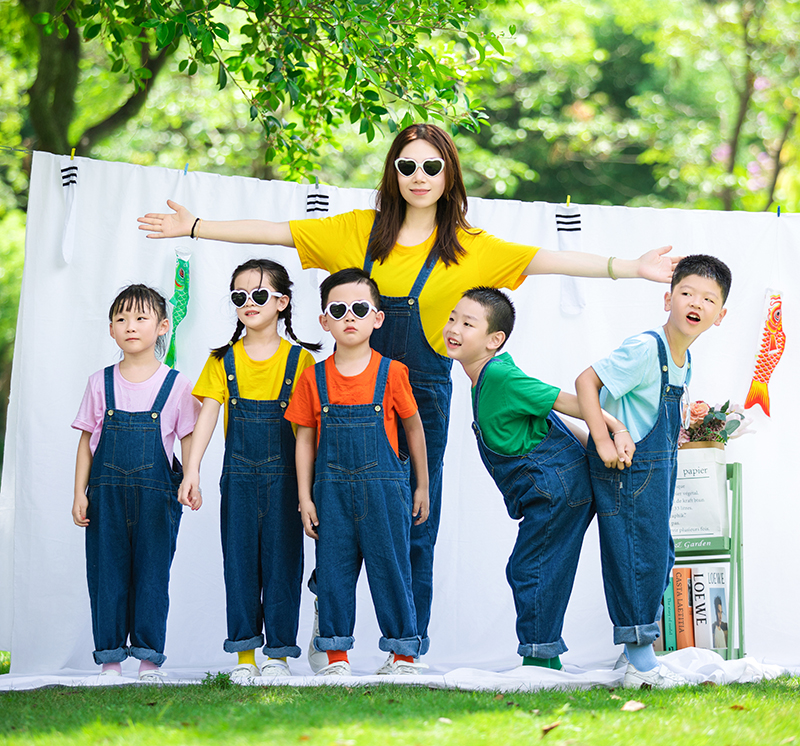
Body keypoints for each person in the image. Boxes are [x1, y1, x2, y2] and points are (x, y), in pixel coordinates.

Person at [138, 122, 679, 660]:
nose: (419, 176)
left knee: (418, 518)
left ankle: (407, 650)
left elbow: (546, 260)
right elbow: (278, 232)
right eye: (407, 166)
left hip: (421, 398)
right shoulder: (358, 230)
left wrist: (631, 268)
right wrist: (196, 228)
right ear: (393, 172)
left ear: (449, 175)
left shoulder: (470, 247)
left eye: (431, 167)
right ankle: (333, 636)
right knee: (336, 513)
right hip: (345, 394)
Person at [444, 287, 631, 669]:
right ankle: (542, 654)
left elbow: (570, 402)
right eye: (452, 318)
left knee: (532, 568)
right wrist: (590, 448)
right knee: (532, 567)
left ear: (494, 340)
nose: (454, 328)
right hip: (552, 488)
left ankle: (541, 660)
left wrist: (615, 430)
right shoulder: (486, 379)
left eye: (468, 323)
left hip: (556, 491)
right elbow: (549, 418)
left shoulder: (500, 376)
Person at [576, 254, 731, 688]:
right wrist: (603, 439)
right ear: (668, 298)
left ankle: (638, 652)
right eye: (686, 293)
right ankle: (638, 661)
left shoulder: (684, 358)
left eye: (707, 298)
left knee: (657, 554)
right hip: (628, 468)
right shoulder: (647, 347)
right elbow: (587, 382)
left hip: (658, 474)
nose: (694, 302)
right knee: (634, 558)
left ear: (720, 315)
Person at [177, 259, 319, 682]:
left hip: (287, 480)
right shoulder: (222, 360)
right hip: (237, 478)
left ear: (282, 302)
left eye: (259, 295)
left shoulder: (302, 363)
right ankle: (244, 658)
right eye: (239, 297)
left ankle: (277, 655)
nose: (248, 303)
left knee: (283, 564)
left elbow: (308, 434)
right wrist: (191, 471)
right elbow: (205, 417)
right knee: (239, 564)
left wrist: (308, 491)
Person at [285, 268, 428, 676]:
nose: (350, 316)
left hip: (386, 491)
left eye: (360, 308)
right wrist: (304, 496)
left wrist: (422, 486)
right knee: (333, 572)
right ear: (324, 320)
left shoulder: (393, 373)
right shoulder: (313, 378)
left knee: (392, 570)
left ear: (377, 318)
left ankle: (402, 655)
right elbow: (304, 440)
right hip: (329, 493)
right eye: (338, 309)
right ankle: (335, 656)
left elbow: (415, 428)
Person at [72, 285, 200, 682]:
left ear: (162, 326)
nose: (131, 326)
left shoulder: (176, 384)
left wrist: (191, 476)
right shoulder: (100, 382)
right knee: (106, 575)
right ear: (111, 329)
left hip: (157, 497)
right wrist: (79, 492)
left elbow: (189, 437)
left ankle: (148, 660)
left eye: (141, 318)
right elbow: (86, 442)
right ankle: (110, 661)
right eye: (122, 318)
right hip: (105, 497)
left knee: (151, 576)